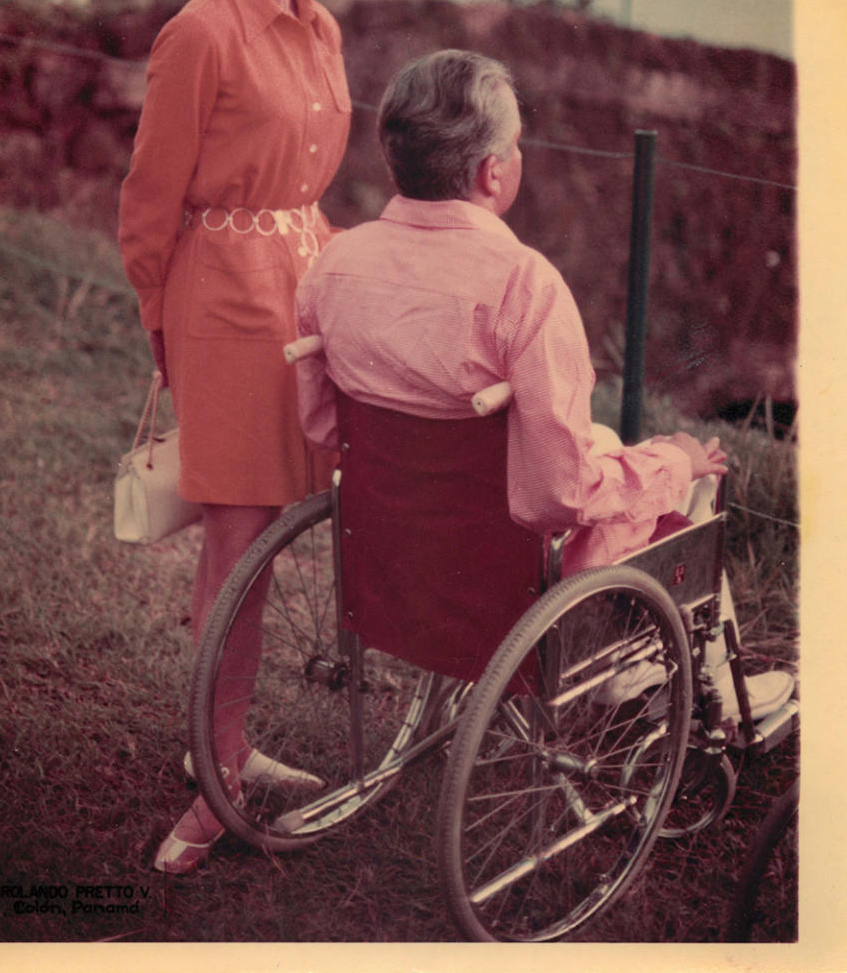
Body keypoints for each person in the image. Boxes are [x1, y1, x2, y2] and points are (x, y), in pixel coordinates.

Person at [295, 50, 795, 716]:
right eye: (517, 145)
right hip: (505, 584)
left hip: (397, 569)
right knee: (689, 478)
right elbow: (556, 497)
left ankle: (642, 672)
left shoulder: (335, 264)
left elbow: (326, 428)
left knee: (606, 438)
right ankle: (704, 697)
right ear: (491, 171)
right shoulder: (523, 285)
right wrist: (673, 460)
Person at [118, 0, 358, 874]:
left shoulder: (322, 29)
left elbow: (311, 188)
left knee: (269, 541)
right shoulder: (201, 33)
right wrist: (168, 342)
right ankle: (213, 778)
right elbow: (146, 210)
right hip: (222, 313)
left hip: (303, 303)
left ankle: (228, 746)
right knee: (237, 541)